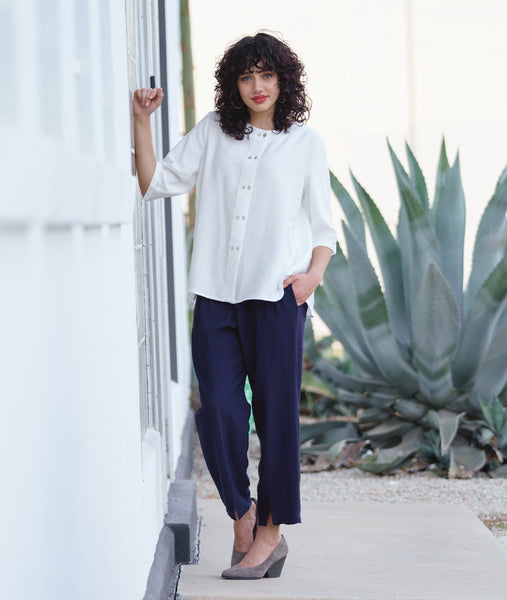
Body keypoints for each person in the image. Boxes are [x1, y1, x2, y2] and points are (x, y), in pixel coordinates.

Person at [133, 31, 336, 580]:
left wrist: (312, 277)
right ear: (234, 84)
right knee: (219, 411)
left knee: (276, 420)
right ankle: (243, 515)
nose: (257, 86)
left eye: (267, 74)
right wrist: (142, 121)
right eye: (246, 76)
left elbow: (325, 227)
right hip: (217, 297)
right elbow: (155, 183)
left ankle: (270, 533)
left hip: (276, 297)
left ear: (283, 79)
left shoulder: (304, 143)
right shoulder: (214, 135)